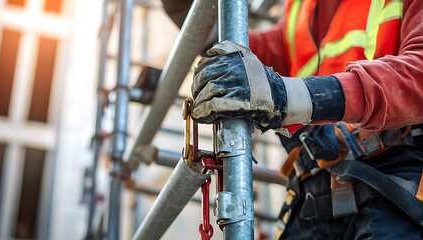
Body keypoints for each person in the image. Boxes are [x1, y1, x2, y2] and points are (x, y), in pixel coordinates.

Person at [165, 0, 423, 238]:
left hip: (393, 179)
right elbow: (256, 53)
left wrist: (287, 95)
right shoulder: (301, 6)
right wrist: (190, 12)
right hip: (312, 190)